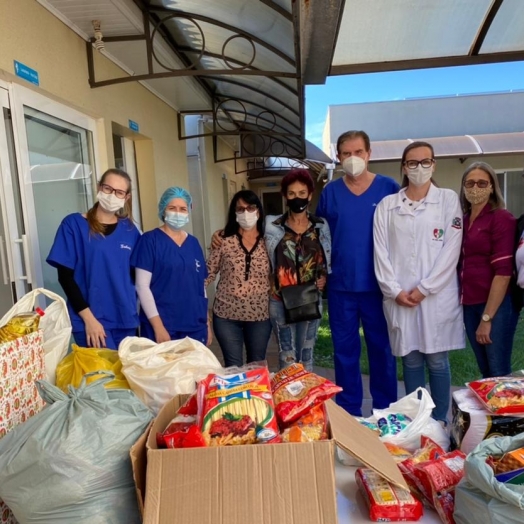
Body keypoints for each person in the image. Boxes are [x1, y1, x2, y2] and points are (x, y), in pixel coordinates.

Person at [373, 141, 464, 424]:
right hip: (399, 297)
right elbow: (380, 252)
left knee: (437, 360)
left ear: (434, 164)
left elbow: (452, 249)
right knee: (410, 359)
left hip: (436, 297)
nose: (420, 168)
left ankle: (440, 421)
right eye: (413, 163)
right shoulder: (388, 206)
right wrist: (395, 290)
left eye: (426, 162)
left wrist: (425, 288)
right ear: (404, 167)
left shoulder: (448, 200)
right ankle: (416, 423)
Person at [316, 130, 398, 416]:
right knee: (344, 352)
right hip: (341, 286)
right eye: (346, 154)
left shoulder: (389, 188)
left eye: (358, 152)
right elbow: (319, 236)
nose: (353, 158)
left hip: (379, 286)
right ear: (338, 158)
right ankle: (350, 412)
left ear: (369, 153)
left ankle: (385, 411)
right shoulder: (330, 192)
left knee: (382, 350)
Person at [47, 168, 140, 349]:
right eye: (107, 188)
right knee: (104, 376)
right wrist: (89, 320)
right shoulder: (74, 225)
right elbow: (65, 277)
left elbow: (138, 276)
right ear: (99, 187)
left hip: (125, 319)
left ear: (126, 197)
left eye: (119, 192)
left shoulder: (130, 230)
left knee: (127, 375)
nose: (112, 195)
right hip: (91, 321)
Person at [265, 169, 331, 371]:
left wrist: (323, 278)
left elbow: (325, 258)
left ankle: (306, 400)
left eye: (302, 193)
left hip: (310, 299)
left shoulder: (320, 225)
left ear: (310, 195)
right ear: (285, 196)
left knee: (307, 354)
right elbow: (245, 233)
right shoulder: (271, 224)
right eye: (291, 193)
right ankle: (288, 400)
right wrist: (220, 233)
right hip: (280, 300)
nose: (297, 198)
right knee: (287, 355)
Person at [458, 162, 518, 378]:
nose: (476, 187)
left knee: (498, 371)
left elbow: (503, 273)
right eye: (470, 183)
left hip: (495, 305)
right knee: (485, 371)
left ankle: (508, 412)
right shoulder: (463, 221)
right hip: (469, 303)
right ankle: (493, 413)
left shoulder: (501, 218)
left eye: (482, 183)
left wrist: (487, 318)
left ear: (492, 186)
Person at [131, 187, 210, 345]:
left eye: (182, 209)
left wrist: (207, 324)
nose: (178, 213)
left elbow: (201, 286)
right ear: (163, 210)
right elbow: (142, 286)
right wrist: (158, 327)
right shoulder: (150, 241)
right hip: (163, 327)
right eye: (172, 208)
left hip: (194, 325)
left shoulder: (193, 243)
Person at [206, 190, 272, 367]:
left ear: (258, 211)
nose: (246, 213)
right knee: (233, 368)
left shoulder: (270, 240)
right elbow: (207, 273)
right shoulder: (223, 239)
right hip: (227, 315)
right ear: (234, 213)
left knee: (256, 367)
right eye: (240, 209)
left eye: (250, 208)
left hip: (260, 316)